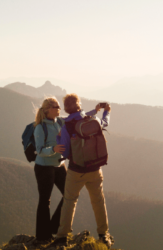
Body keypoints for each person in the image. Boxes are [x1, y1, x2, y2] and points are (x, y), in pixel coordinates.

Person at [48, 93, 113, 249]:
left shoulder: (66, 126)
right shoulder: (92, 119)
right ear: (79, 105)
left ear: (66, 108)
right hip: (95, 169)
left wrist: (58, 139)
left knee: (69, 201)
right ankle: (104, 235)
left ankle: (62, 236)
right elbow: (104, 124)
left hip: (76, 171)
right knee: (98, 201)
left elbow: (63, 152)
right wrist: (106, 112)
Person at [32, 97, 66, 244]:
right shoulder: (40, 127)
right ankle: (42, 236)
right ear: (47, 110)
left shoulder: (59, 121)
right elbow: (39, 150)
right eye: (56, 106)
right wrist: (53, 149)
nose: (59, 108)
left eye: (59, 106)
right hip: (44, 167)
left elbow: (75, 118)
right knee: (45, 201)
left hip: (59, 165)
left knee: (70, 195)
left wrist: (94, 112)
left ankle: (53, 227)